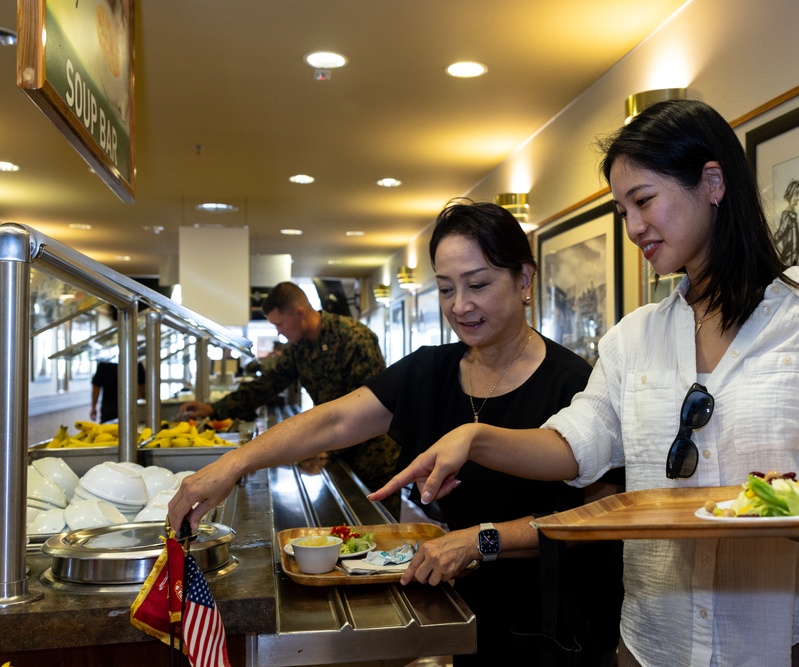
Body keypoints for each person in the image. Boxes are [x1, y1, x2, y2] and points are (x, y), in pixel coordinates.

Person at [369, 100, 799, 667]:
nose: (633, 228)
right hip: (655, 641)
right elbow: (575, 443)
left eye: (644, 200)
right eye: (621, 210)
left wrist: (786, 508)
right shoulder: (635, 338)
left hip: (792, 640)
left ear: (711, 182)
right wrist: (475, 437)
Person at [169, 202, 623, 667]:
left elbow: (600, 516)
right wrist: (233, 462)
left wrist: (482, 540)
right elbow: (334, 420)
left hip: (560, 618)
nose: (460, 305)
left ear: (524, 281)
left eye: (478, 284)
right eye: (446, 289)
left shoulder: (575, 382)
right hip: (470, 606)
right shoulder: (430, 370)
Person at [177, 282, 400, 515]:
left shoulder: (354, 338)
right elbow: (266, 385)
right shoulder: (299, 348)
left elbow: (373, 408)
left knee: (383, 537)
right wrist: (214, 410)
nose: (278, 332)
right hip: (333, 452)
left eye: (279, 324)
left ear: (300, 313)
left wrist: (326, 448)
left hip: (372, 462)